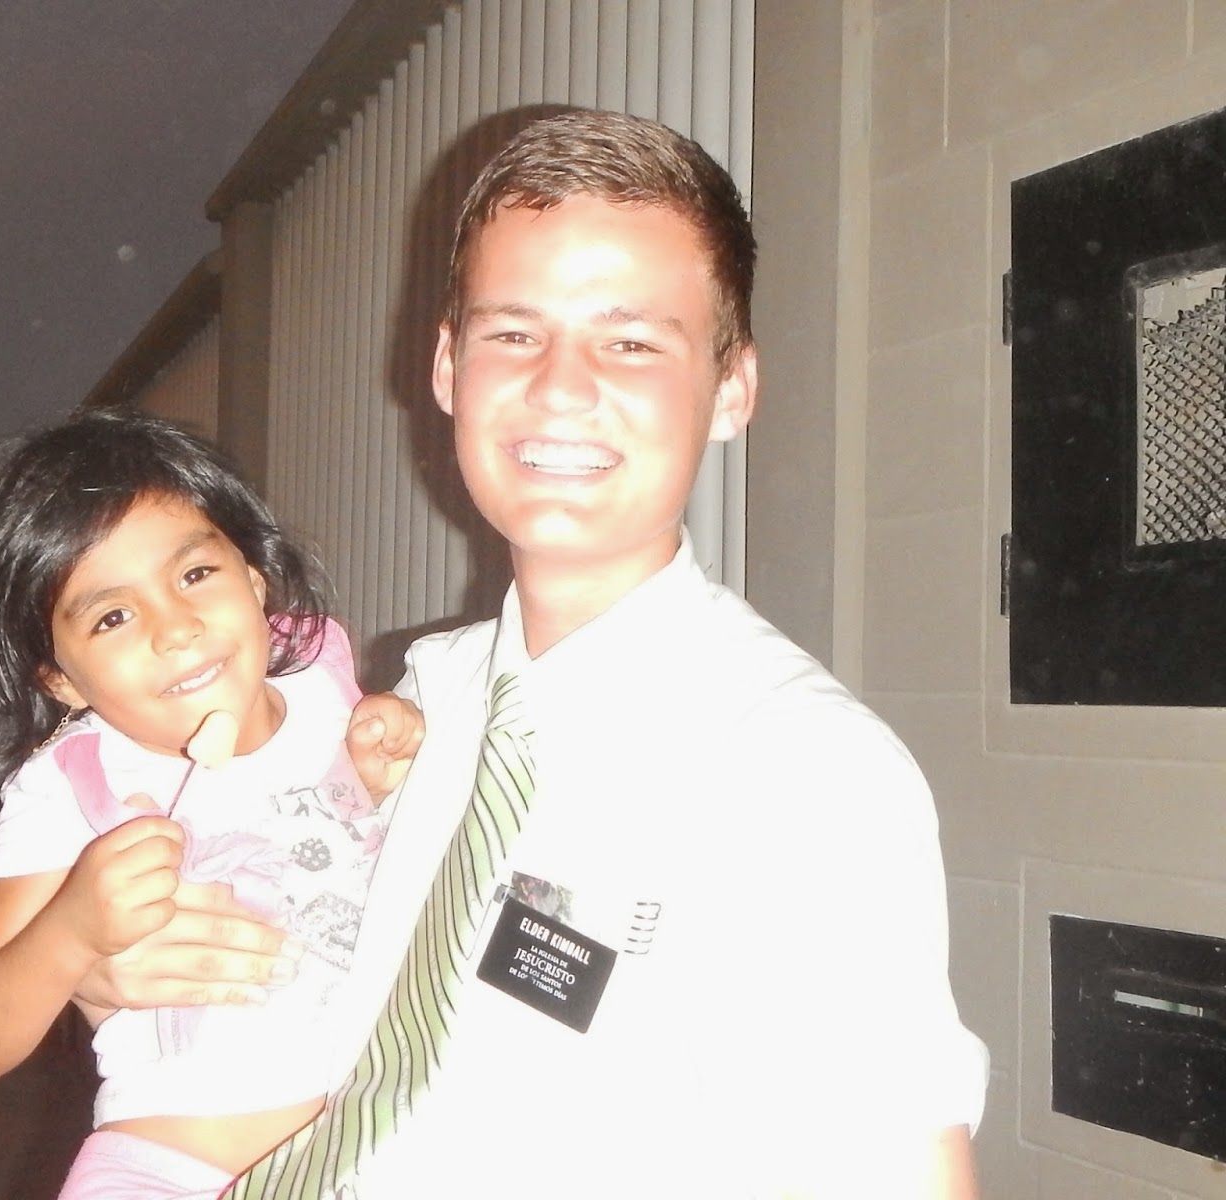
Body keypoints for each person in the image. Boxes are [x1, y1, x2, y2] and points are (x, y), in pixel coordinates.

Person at [216, 110, 987, 1197]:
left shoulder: (798, 769)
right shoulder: (430, 697)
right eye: (512, 333)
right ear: (447, 367)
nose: (559, 386)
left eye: (630, 342)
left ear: (731, 388)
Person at [0, 408, 422, 1200]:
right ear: (61, 679)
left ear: (255, 582)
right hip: (175, 1170)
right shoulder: (74, 783)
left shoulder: (324, 686)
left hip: (381, 1155)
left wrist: (380, 760)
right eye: (113, 616)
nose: (176, 629)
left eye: (195, 575)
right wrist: (69, 933)